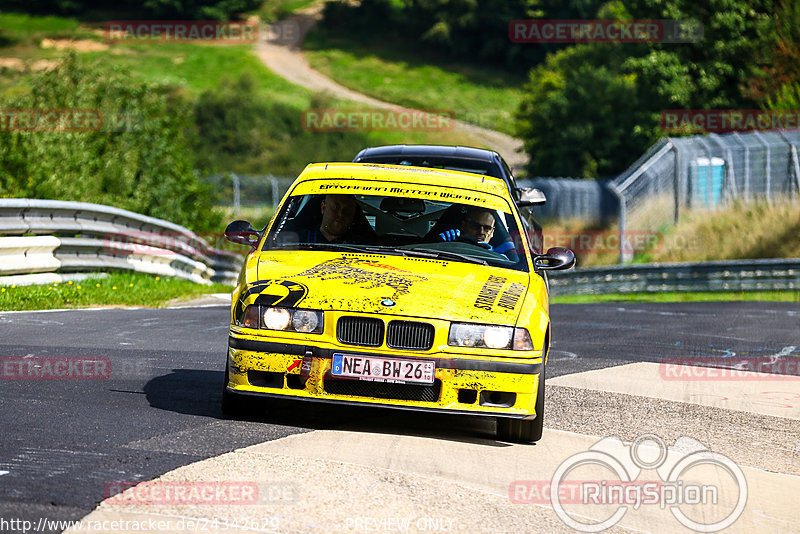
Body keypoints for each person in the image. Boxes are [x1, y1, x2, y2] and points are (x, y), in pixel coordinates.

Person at [438, 206, 515, 258]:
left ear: (492, 232)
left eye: (487, 228)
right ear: (463, 226)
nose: (481, 232)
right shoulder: (446, 247)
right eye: (475, 226)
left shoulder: (501, 260)